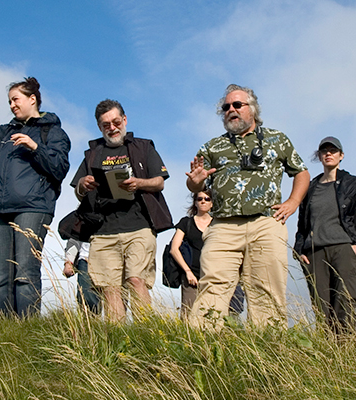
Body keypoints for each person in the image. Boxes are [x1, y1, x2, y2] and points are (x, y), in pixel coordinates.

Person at [186, 84, 310, 331]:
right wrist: (196, 180)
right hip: (222, 226)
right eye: (226, 107)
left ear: (252, 109)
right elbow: (194, 183)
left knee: (266, 289)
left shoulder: (277, 139)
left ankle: (268, 355)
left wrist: (293, 202)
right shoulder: (212, 146)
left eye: (237, 105)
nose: (230, 110)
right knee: (212, 286)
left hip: (266, 222)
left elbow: (301, 172)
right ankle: (198, 351)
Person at [0, 78, 71, 318]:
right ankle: (8, 332)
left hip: (33, 208)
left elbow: (60, 167)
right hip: (0, 209)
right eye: (9, 101)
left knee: (25, 272)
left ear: (32, 99)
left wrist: (35, 147)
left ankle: (27, 329)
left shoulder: (54, 133)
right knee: (2, 278)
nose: (12, 105)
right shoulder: (7, 133)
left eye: (15, 99)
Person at [72, 99, 172, 322]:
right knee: (110, 289)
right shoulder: (92, 153)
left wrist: (138, 183)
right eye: (106, 124)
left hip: (139, 226)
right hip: (103, 230)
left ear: (124, 120)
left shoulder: (144, 146)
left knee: (136, 280)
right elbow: (78, 191)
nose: (112, 128)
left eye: (116, 121)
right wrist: (82, 185)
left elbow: (159, 182)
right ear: (100, 127)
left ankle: (147, 333)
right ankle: (119, 339)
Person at [294, 137, 356, 334]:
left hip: (344, 250)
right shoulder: (311, 188)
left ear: (341, 155)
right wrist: (299, 250)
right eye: (324, 151)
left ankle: (349, 359)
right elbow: (302, 226)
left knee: (344, 307)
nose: (328, 154)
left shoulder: (354, 184)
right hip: (315, 254)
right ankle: (328, 359)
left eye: (333, 150)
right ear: (319, 156)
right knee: (321, 310)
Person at [170, 190, 245, 318]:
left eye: (207, 199)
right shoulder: (186, 223)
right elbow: (174, 249)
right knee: (189, 316)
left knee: (219, 315)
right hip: (192, 276)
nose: (203, 201)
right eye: (199, 199)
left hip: (216, 275)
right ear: (195, 203)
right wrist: (187, 271)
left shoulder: (219, 224)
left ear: (212, 203)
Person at [63, 239, 101, 314]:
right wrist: (69, 261)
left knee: (115, 298)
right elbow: (75, 237)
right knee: (86, 297)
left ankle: (114, 324)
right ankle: (90, 322)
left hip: (114, 257)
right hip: (86, 259)